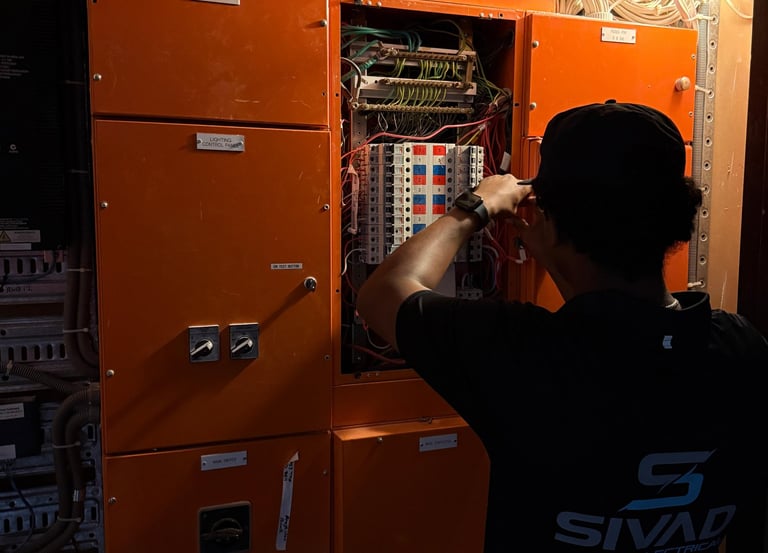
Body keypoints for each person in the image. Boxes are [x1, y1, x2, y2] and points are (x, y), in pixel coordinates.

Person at [356, 102, 768, 553]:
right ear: (674, 222)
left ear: (549, 223)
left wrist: (474, 208)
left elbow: (384, 293)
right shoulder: (739, 347)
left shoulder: (523, 353)